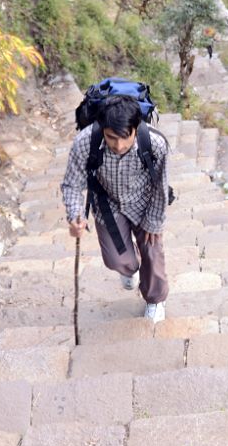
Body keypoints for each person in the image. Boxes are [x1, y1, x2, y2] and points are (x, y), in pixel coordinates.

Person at [61, 96, 170, 323]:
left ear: (135, 128)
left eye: (125, 138)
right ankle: (129, 269)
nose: (118, 146)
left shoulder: (155, 143)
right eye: (111, 138)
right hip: (107, 203)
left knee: (152, 251)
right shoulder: (85, 142)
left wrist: (154, 220)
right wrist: (75, 215)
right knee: (118, 260)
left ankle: (155, 299)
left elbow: (161, 185)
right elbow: (72, 183)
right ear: (102, 129)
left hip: (145, 201)